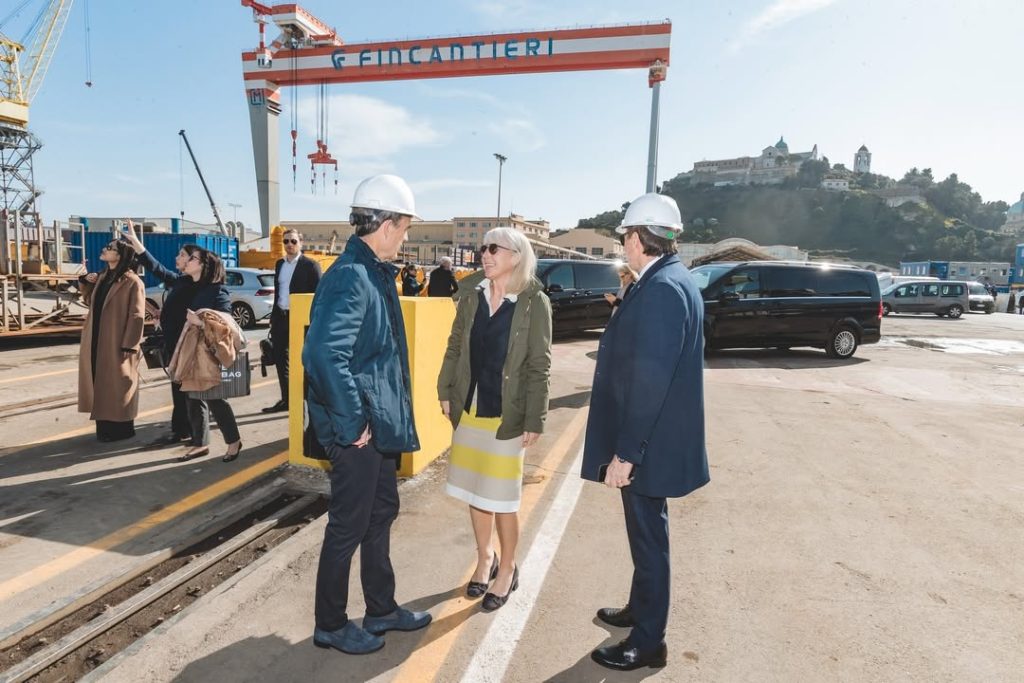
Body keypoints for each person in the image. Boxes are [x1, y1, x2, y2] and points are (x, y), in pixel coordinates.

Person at [580, 193, 709, 672]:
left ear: (637, 237)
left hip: (648, 444)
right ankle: (641, 609)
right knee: (646, 534)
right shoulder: (668, 279)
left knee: (650, 540)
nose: (623, 246)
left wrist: (627, 453)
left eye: (624, 237)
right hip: (655, 438)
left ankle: (649, 642)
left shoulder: (661, 289)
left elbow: (650, 381)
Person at [304, 174, 432, 655]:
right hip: (357, 430)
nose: (406, 237)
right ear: (387, 223)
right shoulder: (352, 276)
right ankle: (331, 624)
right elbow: (322, 355)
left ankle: (380, 609)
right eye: (405, 227)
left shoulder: (373, 271)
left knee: (380, 513)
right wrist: (353, 422)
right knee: (348, 525)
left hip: (375, 427)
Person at [437, 227, 551, 612]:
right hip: (470, 410)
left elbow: (539, 364)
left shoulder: (534, 303)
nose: (484, 254)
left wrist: (535, 416)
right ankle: (485, 557)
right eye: (482, 248)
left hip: (506, 415)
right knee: (475, 492)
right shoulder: (473, 295)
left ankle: (508, 568)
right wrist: (445, 389)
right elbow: (455, 346)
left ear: (516, 256)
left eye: (493, 249)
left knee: (502, 499)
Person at [122, 228, 243, 462]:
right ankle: (200, 443)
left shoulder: (217, 290)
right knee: (192, 398)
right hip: (186, 351)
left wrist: (201, 321)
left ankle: (233, 441)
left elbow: (226, 321)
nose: (186, 261)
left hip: (205, 353)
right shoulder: (186, 283)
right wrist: (138, 245)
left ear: (203, 264)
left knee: (214, 399)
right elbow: (158, 270)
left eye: (191, 258)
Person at [77, 238, 146, 442]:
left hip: (118, 341)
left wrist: (130, 344)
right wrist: (85, 282)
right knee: (100, 382)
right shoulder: (103, 277)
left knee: (118, 385)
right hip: (96, 338)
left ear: (120, 255)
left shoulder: (132, 281)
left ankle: (121, 430)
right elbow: (90, 302)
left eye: (110, 248)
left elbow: (137, 315)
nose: (104, 249)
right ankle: (104, 429)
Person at [262, 228, 321, 414]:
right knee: (281, 361)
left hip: (300, 320)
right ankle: (286, 400)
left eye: (293, 241)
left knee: (302, 363)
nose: (289, 245)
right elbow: (280, 293)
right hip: (280, 318)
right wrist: (273, 318)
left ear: (301, 243)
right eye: (286, 241)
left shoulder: (311, 266)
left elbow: (319, 297)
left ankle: (305, 403)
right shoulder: (280, 264)